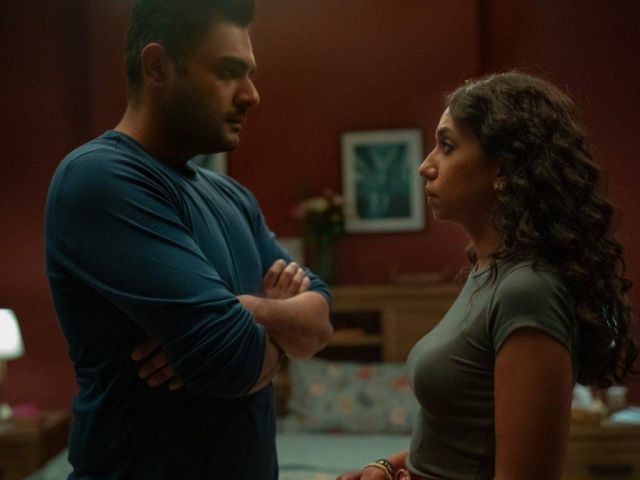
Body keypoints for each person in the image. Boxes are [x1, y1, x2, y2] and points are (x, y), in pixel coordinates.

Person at [44, 1, 333, 479]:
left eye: (250, 74)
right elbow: (232, 361)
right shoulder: (101, 178)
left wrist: (246, 310)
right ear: (157, 66)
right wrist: (279, 332)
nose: (252, 95)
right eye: (228, 72)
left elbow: (321, 319)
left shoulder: (232, 195)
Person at [337, 71, 638, 480]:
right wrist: (389, 466)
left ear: (504, 167)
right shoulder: (487, 272)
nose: (425, 166)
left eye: (447, 146)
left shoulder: (528, 290)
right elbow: (461, 436)